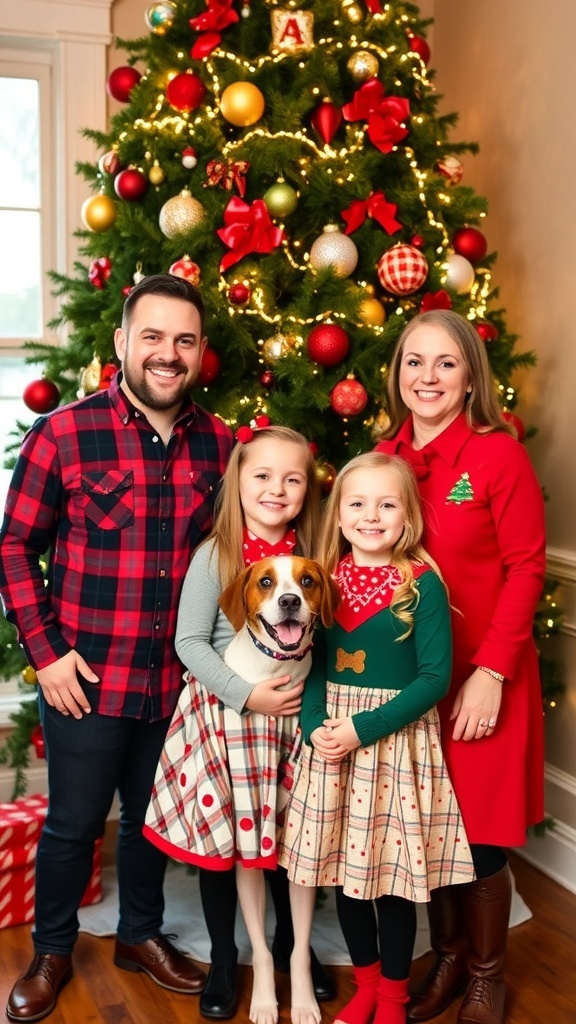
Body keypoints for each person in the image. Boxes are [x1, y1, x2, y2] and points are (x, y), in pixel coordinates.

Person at [0, 274, 234, 1023]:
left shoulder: (222, 443)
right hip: (86, 677)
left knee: (149, 821)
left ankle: (139, 936)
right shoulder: (63, 434)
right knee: (74, 823)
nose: (168, 354)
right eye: (154, 337)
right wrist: (46, 652)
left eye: (185, 340)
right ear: (122, 344)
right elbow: (11, 548)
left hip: (177, 681)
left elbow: (237, 555)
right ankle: (53, 949)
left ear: (200, 354)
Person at [374, 309, 546, 1024]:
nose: (428, 378)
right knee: (428, 827)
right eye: (415, 362)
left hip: (482, 679)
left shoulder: (497, 456)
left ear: (470, 375)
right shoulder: (384, 458)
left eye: (445, 363)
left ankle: (485, 975)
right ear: (397, 375)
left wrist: (493, 672)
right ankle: (445, 959)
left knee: (475, 838)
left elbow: (528, 567)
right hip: (413, 681)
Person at [144, 424, 335, 1024]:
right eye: (262, 476)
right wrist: (247, 696)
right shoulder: (217, 554)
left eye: (292, 479)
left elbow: (329, 637)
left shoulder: (315, 555)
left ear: (307, 489)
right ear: (238, 483)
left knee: (287, 832)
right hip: (225, 717)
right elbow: (189, 642)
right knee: (222, 845)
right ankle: (226, 958)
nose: (276, 490)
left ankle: (288, 948)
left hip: (294, 724)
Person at [279, 451, 475, 1024]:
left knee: (389, 881)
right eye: (357, 504)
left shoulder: (421, 586)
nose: (371, 516)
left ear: (407, 516)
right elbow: (312, 665)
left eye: (386, 504)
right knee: (345, 873)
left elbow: (435, 679)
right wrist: (316, 730)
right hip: (330, 748)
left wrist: (359, 729)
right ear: (338, 515)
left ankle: (391, 998)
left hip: (392, 747)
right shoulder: (323, 579)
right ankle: (364, 988)